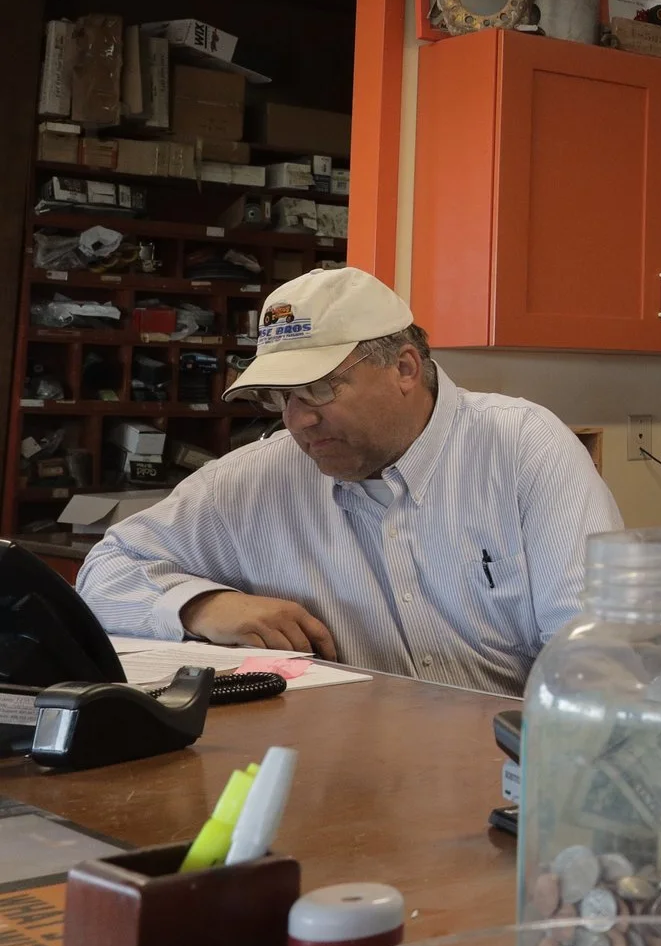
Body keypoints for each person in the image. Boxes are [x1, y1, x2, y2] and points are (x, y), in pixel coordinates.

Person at [76, 266, 623, 693]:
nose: (297, 420)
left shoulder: (523, 448)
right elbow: (104, 574)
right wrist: (201, 606)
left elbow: (594, 649)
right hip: (337, 760)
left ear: (404, 368)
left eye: (318, 389)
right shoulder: (253, 481)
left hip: (510, 756)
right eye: (281, 398)